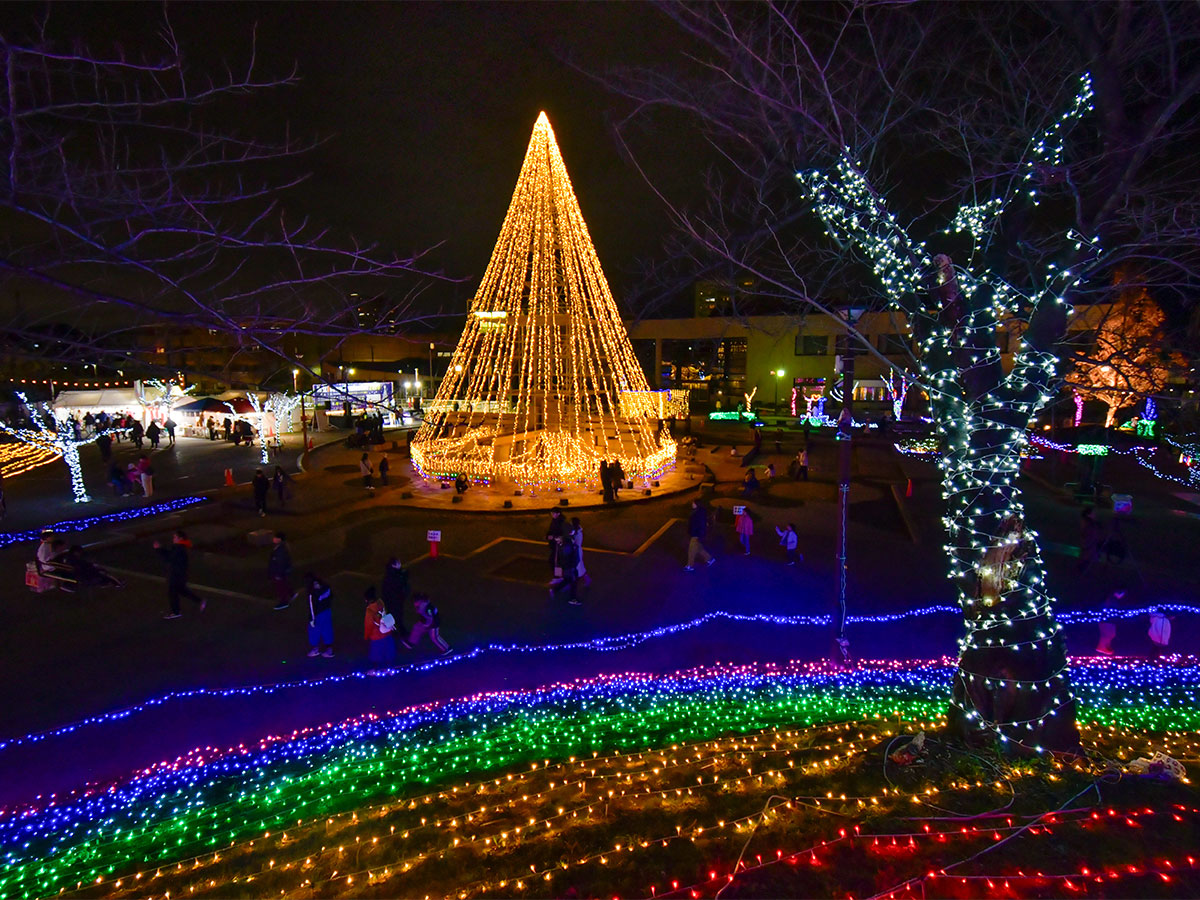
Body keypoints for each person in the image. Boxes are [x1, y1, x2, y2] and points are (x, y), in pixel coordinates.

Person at [155, 529, 205, 619]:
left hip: (177, 574)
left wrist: (159, 550)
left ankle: (176, 612)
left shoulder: (179, 548)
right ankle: (199, 601)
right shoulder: (179, 547)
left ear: (180, 538)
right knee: (181, 590)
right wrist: (160, 549)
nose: (173, 538)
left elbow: (169, 558)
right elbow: (170, 555)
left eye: (175, 537)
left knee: (173, 592)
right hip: (180, 574)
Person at [363, 586, 398, 673]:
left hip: (376, 635)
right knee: (388, 651)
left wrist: (366, 635)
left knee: (375, 653)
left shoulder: (369, 610)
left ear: (367, 600)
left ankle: (375, 669)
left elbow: (368, 624)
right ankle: (390, 668)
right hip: (387, 631)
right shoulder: (380, 602)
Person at [304, 573, 335, 657]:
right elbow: (331, 596)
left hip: (317, 614)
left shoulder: (312, 594)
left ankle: (315, 649)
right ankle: (329, 650)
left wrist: (311, 619)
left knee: (314, 631)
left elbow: (311, 607)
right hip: (327, 611)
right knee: (327, 629)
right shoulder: (326, 589)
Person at [552, 528, 582, 605]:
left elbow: (563, 557)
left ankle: (555, 589)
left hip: (567, 567)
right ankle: (572, 598)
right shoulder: (566, 544)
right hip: (569, 567)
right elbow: (568, 557)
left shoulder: (562, 545)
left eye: (557, 538)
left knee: (568, 580)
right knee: (573, 582)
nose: (556, 540)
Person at [381, 557, 411, 631]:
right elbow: (399, 585)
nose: (400, 564)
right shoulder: (393, 576)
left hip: (395, 599)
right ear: (393, 565)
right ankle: (397, 630)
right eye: (398, 563)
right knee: (396, 615)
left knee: (395, 614)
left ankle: (395, 629)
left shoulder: (393, 573)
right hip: (394, 599)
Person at [685, 499, 715, 571]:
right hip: (696, 533)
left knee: (691, 551)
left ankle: (689, 565)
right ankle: (709, 559)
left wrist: (700, 535)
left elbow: (701, 525)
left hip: (696, 534)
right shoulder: (699, 512)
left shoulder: (698, 514)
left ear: (696, 504)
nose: (692, 504)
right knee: (699, 548)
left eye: (693, 503)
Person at [268, 532, 293, 610]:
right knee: (283, 584)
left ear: (279, 539)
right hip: (282, 571)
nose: (273, 539)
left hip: (279, 572)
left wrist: (278, 574)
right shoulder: (281, 547)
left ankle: (284, 602)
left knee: (280, 587)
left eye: (275, 538)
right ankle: (291, 594)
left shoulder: (280, 550)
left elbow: (280, 562)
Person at [546, 508, 567, 581]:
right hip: (554, 544)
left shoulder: (560, 522)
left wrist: (553, 537)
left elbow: (561, 534)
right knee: (555, 560)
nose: (552, 515)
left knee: (556, 561)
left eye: (553, 513)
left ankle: (558, 576)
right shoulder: (555, 520)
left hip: (557, 545)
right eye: (551, 513)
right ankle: (558, 575)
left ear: (558, 514)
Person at [571, 517, 588, 585]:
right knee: (580, 567)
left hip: (576, 552)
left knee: (578, 567)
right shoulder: (575, 531)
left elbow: (577, 544)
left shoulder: (578, 533)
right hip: (575, 551)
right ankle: (587, 579)